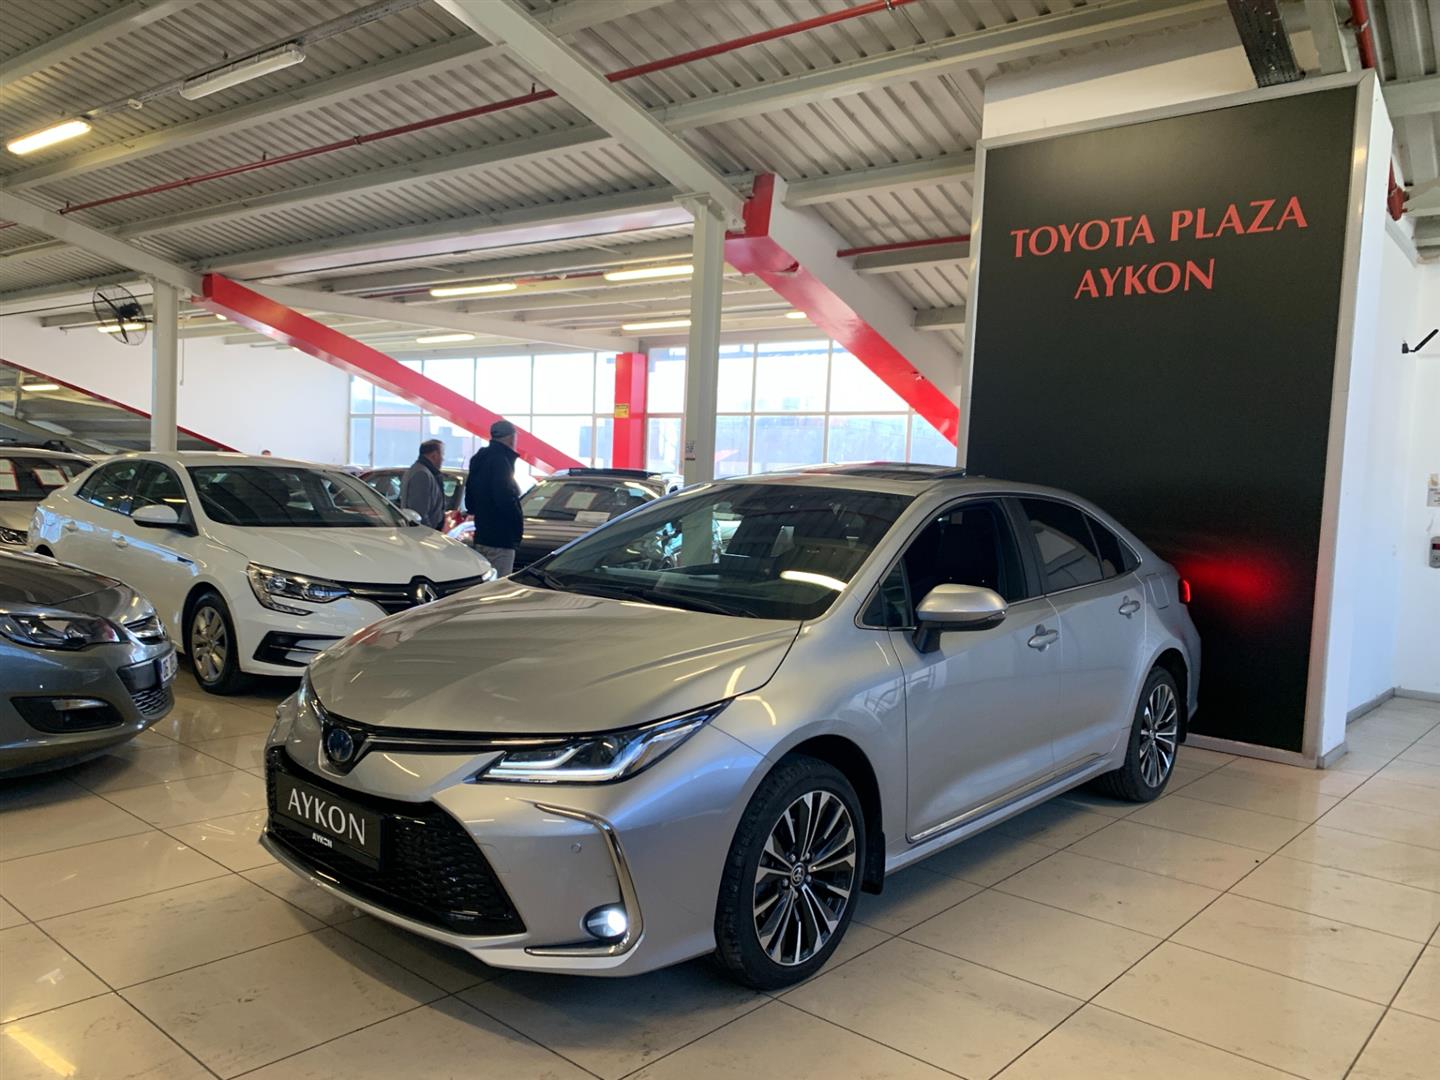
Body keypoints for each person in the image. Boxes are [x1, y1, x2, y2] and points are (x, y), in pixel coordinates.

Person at [465, 420, 522, 576]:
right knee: (499, 584)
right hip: (501, 537)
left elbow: (470, 499)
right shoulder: (501, 461)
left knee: (485, 581)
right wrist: (516, 526)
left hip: (482, 533)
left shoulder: (479, 458)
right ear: (511, 438)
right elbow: (504, 498)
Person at [400, 438, 447, 530]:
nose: (443, 459)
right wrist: (429, 532)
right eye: (442, 454)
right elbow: (419, 512)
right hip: (423, 533)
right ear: (434, 455)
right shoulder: (422, 474)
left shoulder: (420, 470)